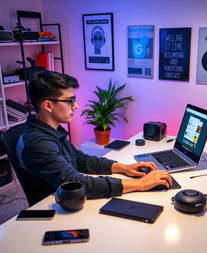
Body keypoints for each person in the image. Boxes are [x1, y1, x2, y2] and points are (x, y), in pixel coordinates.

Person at [16, 71, 172, 203]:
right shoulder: (37, 143)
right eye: (70, 101)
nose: (75, 106)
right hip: (57, 208)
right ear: (48, 105)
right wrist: (139, 184)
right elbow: (77, 184)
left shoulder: (50, 130)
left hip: (71, 200)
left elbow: (80, 159)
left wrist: (125, 168)